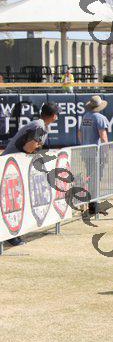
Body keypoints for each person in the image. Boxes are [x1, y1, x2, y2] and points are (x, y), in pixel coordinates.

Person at [2, 102, 59, 246]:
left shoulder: (40, 125)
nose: (57, 116)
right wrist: (37, 147)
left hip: (14, 164)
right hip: (11, 166)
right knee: (11, 201)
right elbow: (29, 147)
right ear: (53, 115)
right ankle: (11, 235)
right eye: (57, 114)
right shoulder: (39, 126)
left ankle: (12, 234)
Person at [78, 95, 110, 216]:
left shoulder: (85, 116)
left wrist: (84, 144)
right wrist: (106, 152)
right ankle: (94, 206)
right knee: (95, 179)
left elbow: (80, 133)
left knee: (91, 178)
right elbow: (103, 137)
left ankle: (93, 204)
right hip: (96, 153)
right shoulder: (100, 118)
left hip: (86, 152)